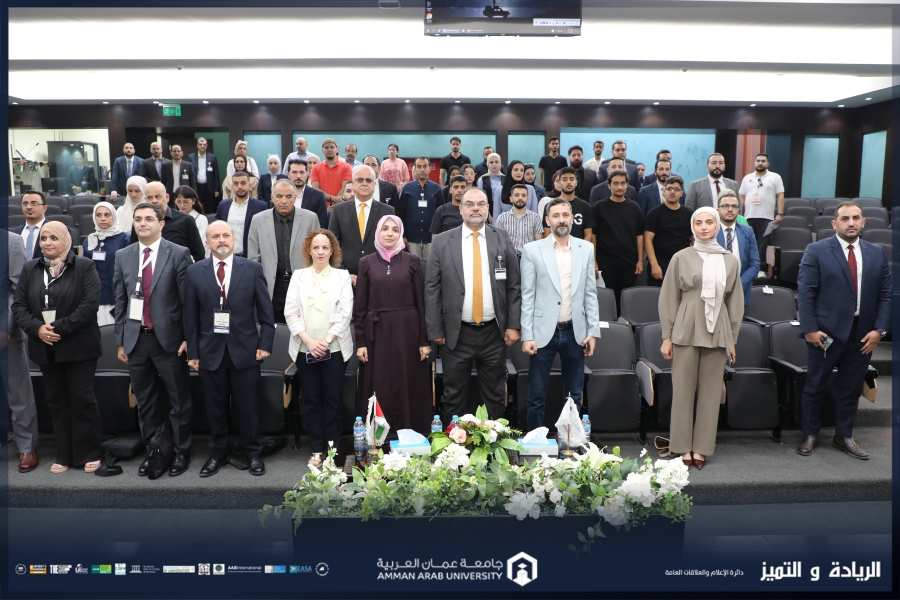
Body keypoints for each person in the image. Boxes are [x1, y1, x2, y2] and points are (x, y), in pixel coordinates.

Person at [796, 202, 891, 460]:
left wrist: (880, 331)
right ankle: (810, 433)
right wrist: (810, 329)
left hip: (863, 334)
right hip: (825, 335)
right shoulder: (817, 250)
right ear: (834, 223)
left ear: (863, 222)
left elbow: (885, 295)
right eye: (845, 218)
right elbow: (805, 293)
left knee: (851, 387)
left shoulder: (876, 253)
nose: (851, 222)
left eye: (856, 218)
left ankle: (844, 435)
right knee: (815, 385)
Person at [12, 221, 104, 474]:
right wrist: (37, 328)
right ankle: (64, 454)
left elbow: (89, 305)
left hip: (79, 346)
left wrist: (56, 328)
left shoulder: (84, 265)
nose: (47, 242)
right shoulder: (31, 268)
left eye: (54, 237)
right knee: (57, 401)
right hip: (45, 346)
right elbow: (19, 306)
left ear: (66, 240)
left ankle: (90, 452)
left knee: (83, 399)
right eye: (43, 238)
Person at [184, 221, 275, 477]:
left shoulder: (252, 269)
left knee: (248, 408)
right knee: (215, 408)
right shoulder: (194, 272)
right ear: (207, 242)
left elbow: (267, 312)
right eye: (215, 236)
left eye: (226, 235)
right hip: (209, 352)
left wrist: (265, 344)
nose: (221, 240)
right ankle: (218, 453)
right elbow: (190, 317)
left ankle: (253, 453)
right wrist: (193, 352)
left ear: (234, 240)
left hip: (246, 350)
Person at [425, 188, 521, 423]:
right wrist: (435, 329)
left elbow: (513, 285)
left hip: (494, 332)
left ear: (488, 208)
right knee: (454, 396)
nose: (475, 208)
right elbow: (432, 289)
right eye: (470, 204)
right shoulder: (442, 242)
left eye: (481, 204)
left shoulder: (502, 237)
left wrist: (513, 325)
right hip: (456, 334)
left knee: (494, 396)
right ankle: (453, 444)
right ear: (460, 209)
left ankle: (495, 443)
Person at [659, 207, 743, 470]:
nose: (704, 227)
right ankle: (682, 447)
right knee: (683, 392)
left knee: (710, 393)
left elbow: (735, 302)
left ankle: (702, 448)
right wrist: (666, 336)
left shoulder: (730, 260)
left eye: (709, 222)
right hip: (685, 328)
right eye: (698, 223)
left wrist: (732, 339)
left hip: (718, 330)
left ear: (717, 225)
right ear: (692, 227)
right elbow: (668, 298)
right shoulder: (681, 257)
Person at [115, 202, 194, 477]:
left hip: (169, 340)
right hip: (136, 340)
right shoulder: (123, 255)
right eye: (138, 219)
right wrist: (121, 340)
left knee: (178, 400)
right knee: (145, 402)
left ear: (161, 224)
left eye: (149, 219)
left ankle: (181, 451)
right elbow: (121, 301)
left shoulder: (179, 253)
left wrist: (187, 337)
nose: (142, 223)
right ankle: (154, 452)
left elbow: (187, 301)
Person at [520, 198, 601, 431]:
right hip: (542, 332)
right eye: (555, 216)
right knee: (536, 395)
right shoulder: (532, 250)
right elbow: (527, 295)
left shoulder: (586, 248)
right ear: (547, 220)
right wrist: (527, 335)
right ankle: (535, 443)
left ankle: (570, 443)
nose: (561, 219)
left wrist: (593, 331)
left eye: (565, 215)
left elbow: (590, 293)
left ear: (573, 218)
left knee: (574, 395)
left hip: (575, 331)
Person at [354, 215, 431, 433]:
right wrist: (361, 342)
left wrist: (424, 340)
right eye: (385, 229)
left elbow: (422, 303)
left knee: (408, 381)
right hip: (376, 334)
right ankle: (379, 437)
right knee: (379, 382)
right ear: (378, 233)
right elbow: (360, 307)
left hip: (408, 332)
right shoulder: (366, 262)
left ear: (401, 234)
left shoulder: (412, 261)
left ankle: (411, 435)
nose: (389, 233)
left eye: (395, 230)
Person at [285, 229, 354, 467]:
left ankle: (333, 450)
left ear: (332, 250)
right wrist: (309, 341)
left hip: (334, 349)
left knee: (333, 400)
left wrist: (325, 341)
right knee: (312, 400)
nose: (321, 251)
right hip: (305, 350)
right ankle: (316, 449)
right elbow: (290, 313)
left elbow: (345, 314)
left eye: (325, 247)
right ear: (309, 250)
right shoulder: (299, 276)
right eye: (316, 247)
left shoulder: (342, 277)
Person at [248, 179, 319, 323]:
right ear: (272, 197)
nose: (284, 201)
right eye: (279, 196)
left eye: (288, 196)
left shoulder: (310, 218)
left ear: (295, 197)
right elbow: (253, 259)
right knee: (274, 329)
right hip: (272, 286)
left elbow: (318, 256)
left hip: (303, 286)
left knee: (302, 327)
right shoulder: (258, 220)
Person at [3, 231, 40, 473]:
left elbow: (19, 289)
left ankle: (27, 446)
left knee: (18, 392)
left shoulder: (11, 241)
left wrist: (6, 326)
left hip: (4, 333)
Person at [328, 165, 396, 284]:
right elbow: (333, 244)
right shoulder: (339, 210)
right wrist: (345, 274)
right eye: (360, 180)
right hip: (346, 279)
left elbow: (391, 246)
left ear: (374, 184)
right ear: (353, 183)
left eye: (368, 180)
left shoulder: (388, 211)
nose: (364, 183)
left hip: (379, 278)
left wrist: (381, 272)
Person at [592, 170, 643, 312]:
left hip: (629, 262)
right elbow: (593, 236)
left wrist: (640, 260)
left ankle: (624, 325)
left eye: (622, 183)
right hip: (606, 262)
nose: (619, 187)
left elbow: (639, 236)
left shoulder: (634, 207)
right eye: (615, 183)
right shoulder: (599, 207)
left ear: (627, 185)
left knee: (625, 301)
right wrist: (594, 261)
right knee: (608, 299)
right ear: (609, 185)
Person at [130, 182, 206, 263]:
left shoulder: (185, 220)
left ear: (167, 197)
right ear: (145, 200)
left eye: (158, 196)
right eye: (150, 198)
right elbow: (133, 252)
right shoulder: (140, 224)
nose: (154, 201)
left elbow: (199, 255)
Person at [82, 201, 130, 325]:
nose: (102, 218)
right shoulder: (90, 240)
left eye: (107, 215)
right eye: (98, 215)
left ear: (114, 216)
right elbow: (85, 270)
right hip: (97, 296)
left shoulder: (124, 238)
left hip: (119, 295)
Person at [644, 176, 692, 288]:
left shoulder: (689, 214)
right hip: (660, 264)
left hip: (683, 263)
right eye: (669, 188)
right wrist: (654, 265)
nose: (672, 192)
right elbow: (647, 240)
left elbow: (694, 240)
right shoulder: (654, 213)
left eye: (676, 189)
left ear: (682, 193)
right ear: (664, 191)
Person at [715, 189, 760, 306]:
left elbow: (755, 264)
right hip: (714, 293)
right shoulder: (711, 232)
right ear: (717, 210)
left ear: (738, 210)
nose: (730, 209)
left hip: (741, 292)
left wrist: (738, 286)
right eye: (725, 206)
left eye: (734, 206)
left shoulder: (747, 231)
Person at [397, 156, 443, 260]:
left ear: (429, 168)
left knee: (430, 266)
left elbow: (441, 214)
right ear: (415, 169)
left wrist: (438, 235)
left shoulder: (437, 189)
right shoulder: (407, 189)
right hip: (411, 237)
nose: (422, 169)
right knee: (414, 266)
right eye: (419, 166)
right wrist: (403, 234)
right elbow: (401, 213)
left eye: (425, 166)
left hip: (431, 238)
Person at [739, 153, 785, 256]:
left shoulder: (775, 177)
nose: (760, 163)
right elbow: (741, 196)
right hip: (748, 217)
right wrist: (739, 214)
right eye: (758, 161)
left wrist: (780, 214)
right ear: (754, 163)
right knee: (748, 244)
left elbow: (780, 195)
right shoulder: (747, 178)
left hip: (766, 217)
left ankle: (762, 266)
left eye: (763, 161)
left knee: (763, 245)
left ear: (768, 164)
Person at [216, 171, 268, 258]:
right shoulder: (223, 205)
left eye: (243, 183)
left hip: (251, 257)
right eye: (236, 183)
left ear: (249, 185)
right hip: (228, 255)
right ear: (232, 186)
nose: (239, 186)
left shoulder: (260, 206)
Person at [12, 191, 77, 260]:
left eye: (34, 203)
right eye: (25, 204)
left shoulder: (59, 230)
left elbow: (68, 258)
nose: (29, 207)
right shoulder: (14, 233)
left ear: (44, 208)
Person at [542, 167, 594, 244]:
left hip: (579, 249)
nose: (569, 182)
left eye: (571, 179)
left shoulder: (585, 206)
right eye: (565, 179)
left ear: (576, 182)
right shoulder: (550, 206)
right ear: (559, 183)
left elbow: (588, 234)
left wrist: (580, 248)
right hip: (556, 248)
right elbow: (547, 233)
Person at [494, 184, 544, 259]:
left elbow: (538, 242)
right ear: (511, 198)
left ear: (527, 199)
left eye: (523, 195)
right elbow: (498, 242)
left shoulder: (535, 217)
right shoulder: (502, 218)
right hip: (509, 258)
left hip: (529, 258)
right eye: (516, 195)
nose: (520, 198)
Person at [311, 138, 353, 209]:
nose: (329, 149)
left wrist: (331, 206)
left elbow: (344, 188)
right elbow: (315, 189)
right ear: (322, 150)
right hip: (320, 207)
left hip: (341, 207)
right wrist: (333, 198)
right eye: (326, 147)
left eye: (332, 147)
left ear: (337, 149)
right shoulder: (315, 168)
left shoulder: (347, 167)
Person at [287, 158, 328, 228]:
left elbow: (322, 225)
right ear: (288, 174)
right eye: (294, 172)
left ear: (307, 174)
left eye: (302, 172)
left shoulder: (318, 196)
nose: (298, 176)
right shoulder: (280, 195)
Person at [187, 137, 222, 215]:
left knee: (211, 209)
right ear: (197, 145)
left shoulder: (212, 157)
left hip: (209, 188)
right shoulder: (191, 157)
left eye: (204, 144)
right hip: (196, 187)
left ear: (207, 146)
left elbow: (216, 173)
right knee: (196, 208)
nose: (202, 146)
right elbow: (188, 174)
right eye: (200, 144)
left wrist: (217, 189)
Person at [173, 186, 209, 258]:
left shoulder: (201, 219)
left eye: (186, 202)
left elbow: (203, 244)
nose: (182, 205)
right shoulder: (173, 217)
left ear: (193, 201)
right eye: (179, 202)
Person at [477, 153, 506, 217]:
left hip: (503, 211)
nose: (494, 164)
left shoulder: (506, 179)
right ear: (487, 164)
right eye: (491, 162)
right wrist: (488, 215)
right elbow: (480, 199)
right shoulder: (482, 179)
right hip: (487, 210)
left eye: (496, 162)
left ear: (500, 164)